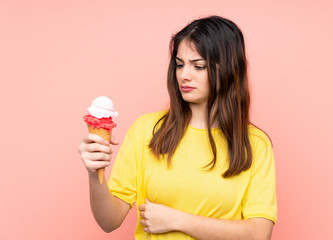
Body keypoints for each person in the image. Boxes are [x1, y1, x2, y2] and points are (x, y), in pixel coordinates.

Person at [78, 15, 277, 240]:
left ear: (229, 70)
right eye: (180, 65)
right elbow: (109, 221)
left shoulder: (255, 144)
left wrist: (177, 220)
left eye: (198, 66)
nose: (184, 75)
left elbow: (259, 234)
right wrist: (95, 173)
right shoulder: (147, 129)